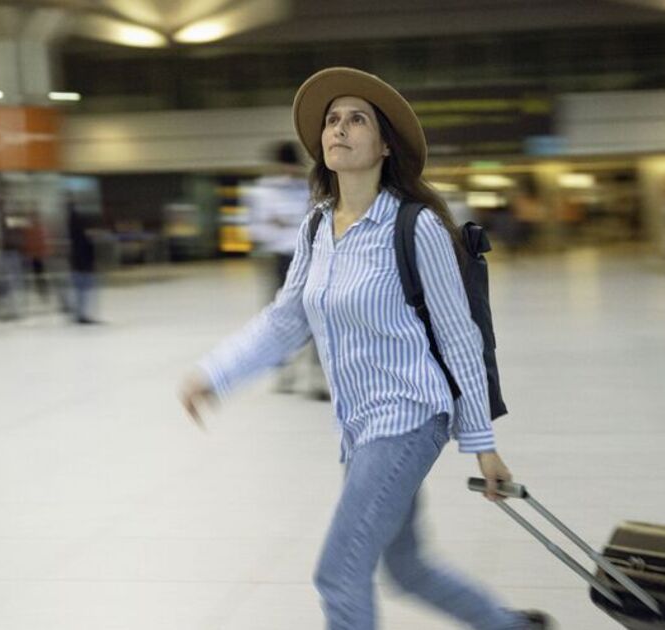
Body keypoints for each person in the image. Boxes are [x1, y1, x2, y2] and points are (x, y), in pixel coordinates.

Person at [178, 67, 551, 630]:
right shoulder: (315, 228)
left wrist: (482, 443)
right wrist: (215, 373)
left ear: (384, 146)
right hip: (359, 427)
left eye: (357, 120)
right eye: (333, 120)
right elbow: (286, 322)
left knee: (339, 573)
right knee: (407, 568)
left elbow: (459, 337)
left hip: (408, 418)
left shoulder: (415, 226)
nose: (340, 128)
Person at [245, 141, 329, 398]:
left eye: (293, 167)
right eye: (285, 167)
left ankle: (318, 376)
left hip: (311, 258)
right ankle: (284, 372)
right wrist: (277, 226)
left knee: (316, 314)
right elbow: (255, 229)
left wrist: (283, 222)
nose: (289, 172)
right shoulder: (262, 191)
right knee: (282, 317)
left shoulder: (309, 188)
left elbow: (318, 221)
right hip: (280, 259)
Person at [66, 201, 99, 324]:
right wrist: (89, 265)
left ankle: (80, 314)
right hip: (82, 266)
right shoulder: (83, 238)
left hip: (78, 265)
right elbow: (86, 251)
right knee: (83, 291)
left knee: (80, 291)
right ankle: (82, 314)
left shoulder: (75, 236)